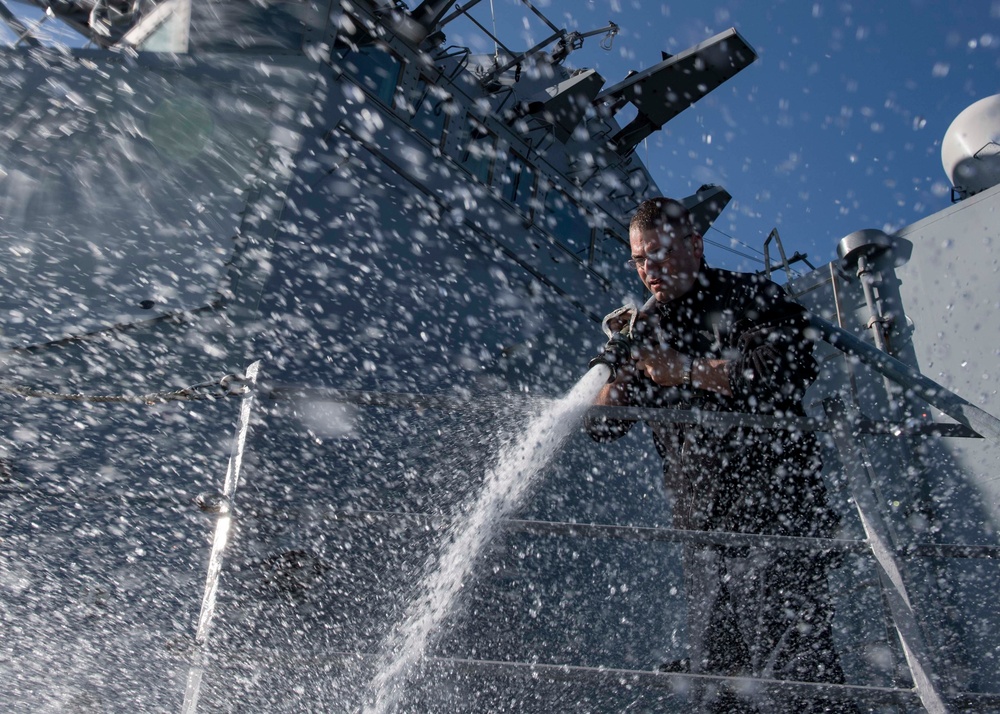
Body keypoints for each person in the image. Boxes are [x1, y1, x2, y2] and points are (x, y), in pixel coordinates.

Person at [586, 197, 853, 714]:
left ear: (695, 245)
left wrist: (685, 369)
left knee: (798, 677)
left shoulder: (749, 295)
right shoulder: (646, 329)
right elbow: (603, 429)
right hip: (703, 535)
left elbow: (786, 369)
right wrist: (613, 381)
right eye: (639, 260)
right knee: (718, 690)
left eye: (660, 254)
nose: (650, 270)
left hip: (776, 521)